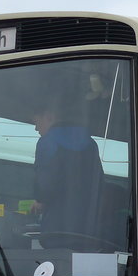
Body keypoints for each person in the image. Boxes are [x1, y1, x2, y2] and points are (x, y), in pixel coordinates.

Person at [30, 97, 104, 246]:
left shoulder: (47, 141)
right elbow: (99, 182)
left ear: (49, 116)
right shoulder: (91, 144)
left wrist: (39, 201)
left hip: (57, 229)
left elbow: (46, 182)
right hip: (88, 229)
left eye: (37, 122)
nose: (36, 128)